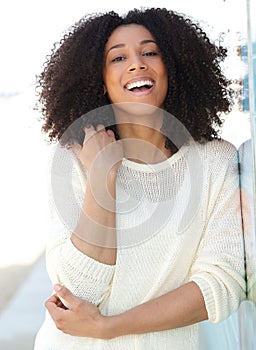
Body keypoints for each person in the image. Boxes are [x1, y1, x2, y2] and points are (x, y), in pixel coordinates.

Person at [34, 7, 246, 350]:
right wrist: (103, 172)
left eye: (150, 52)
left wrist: (109, 328)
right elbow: (77, 291)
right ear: (97, 79)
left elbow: (220, 285)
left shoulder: (214, 161)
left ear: (174, 67)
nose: (136, 64)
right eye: (118, 58)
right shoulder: (74, 156)